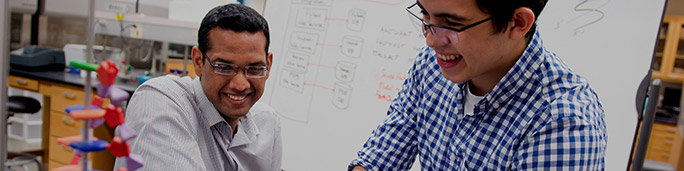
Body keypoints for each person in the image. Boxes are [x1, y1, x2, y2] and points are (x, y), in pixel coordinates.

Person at [349, 0, 606, 170]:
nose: (431, 41)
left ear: (517, 23)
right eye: (425, 15)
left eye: (451, 24)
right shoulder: (431, 66)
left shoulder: (563, 124)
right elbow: (380, 158)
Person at [115, 4, 281, 171]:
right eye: (224, 67)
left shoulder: (267, 122)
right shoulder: (158, 100)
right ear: (198, 61)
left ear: (269, 64)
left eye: (254, 69)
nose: (240, 85)